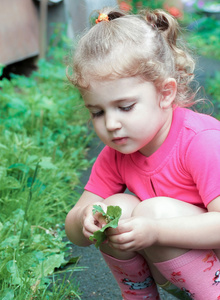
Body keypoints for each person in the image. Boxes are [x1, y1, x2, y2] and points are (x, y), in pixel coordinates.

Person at [65, 6, 220, 300]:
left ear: (165, 93)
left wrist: (157, 231)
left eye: (125, 107)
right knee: (115, 210)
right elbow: (73, 231)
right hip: (184, 271)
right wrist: (86, 217)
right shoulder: (115, 154)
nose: (111, 124)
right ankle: (139, 296)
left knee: (154, 212)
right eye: (97, 112)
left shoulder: (201, 141)